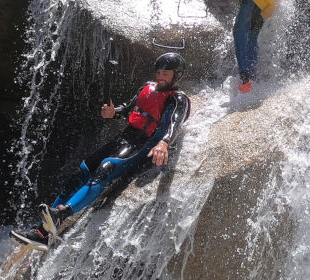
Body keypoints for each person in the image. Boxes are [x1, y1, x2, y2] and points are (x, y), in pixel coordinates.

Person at [10, 53, 191, 251]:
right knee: (83, 169)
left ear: (178, 75)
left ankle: (61, 215)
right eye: (159, 72)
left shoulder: (178, 100)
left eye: (165, 73)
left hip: (143, 146)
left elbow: (172, 124)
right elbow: (129, 108)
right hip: (124, 139)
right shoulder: (147, 88)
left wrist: (164, 143)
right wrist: (114, 113)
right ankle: (41, 233)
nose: (160, 76)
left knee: (105, 169)